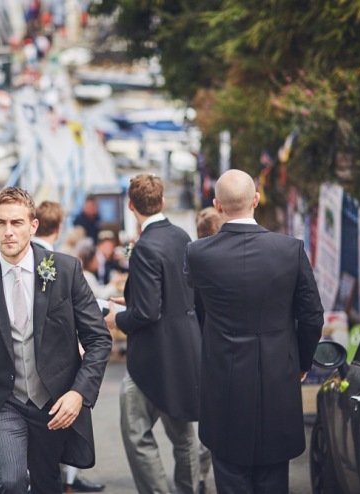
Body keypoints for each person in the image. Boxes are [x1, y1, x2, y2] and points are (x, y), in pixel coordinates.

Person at [0, 187, 112, 493]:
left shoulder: (64, 270)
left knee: (47, 483)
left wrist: (78, 393)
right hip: (3, 401)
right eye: (1, 223)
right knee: (11, 480)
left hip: (53, 403)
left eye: (16, 223)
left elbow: (99, 340)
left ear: (33, 225)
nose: (8, 232)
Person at [185, 169, 323, 494]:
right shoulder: (290, 250)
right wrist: (300, 363)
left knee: (229, 476)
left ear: (217, 205)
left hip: (223, 382)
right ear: (257, 200)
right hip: (278, 379)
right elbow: (312, 316)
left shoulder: (199, 254)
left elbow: (198, 313)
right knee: (274, 478)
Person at [104, 174, 201, 494]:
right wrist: (132, 300)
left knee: (136, 433)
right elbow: (174, 293)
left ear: (131, 206)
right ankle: (190, 488)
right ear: (162, 201)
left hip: (154, 357)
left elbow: (147, 312)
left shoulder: (145, 247)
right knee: (184, 435)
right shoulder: (181, 236)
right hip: (186, 348)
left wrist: (118, 318)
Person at [33, 201, 106, 493]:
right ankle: (67, 480)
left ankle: (66, 480)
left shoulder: (63, 265)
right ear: (60, 227)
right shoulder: (58, 262)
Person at [192, 206, 223, 494]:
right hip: (220, 353)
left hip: (200, 353)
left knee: (204, 423)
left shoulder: (193, 261)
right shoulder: (221, 263)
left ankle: (199, 477)